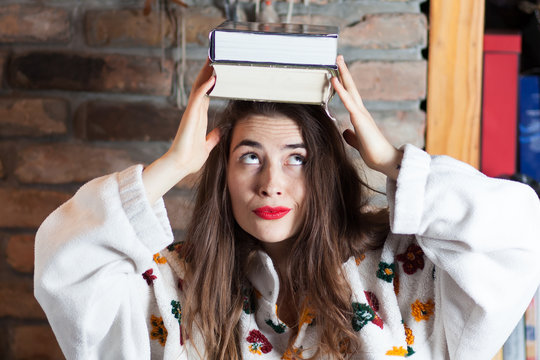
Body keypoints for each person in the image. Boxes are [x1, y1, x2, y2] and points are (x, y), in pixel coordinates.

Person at [34, 55, 540, 360]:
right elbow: (65, 265)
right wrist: (171, 165)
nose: (271, 184)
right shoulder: (170, 284)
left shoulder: (403, 273)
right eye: (250, 157)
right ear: (221, 174)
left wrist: (390, 160)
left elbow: (519, 235)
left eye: (297, 160)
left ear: (324, 173)